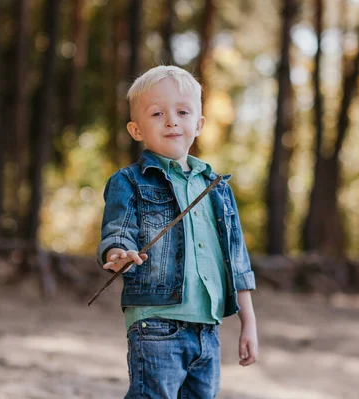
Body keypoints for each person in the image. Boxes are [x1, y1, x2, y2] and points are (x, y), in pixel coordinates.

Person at [96, 65, 258, 399]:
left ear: (198, 124)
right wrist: (118, 254)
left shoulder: (217, 188)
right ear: (136, 129)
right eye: (157, 113)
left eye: (182, 112)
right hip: (155, 323)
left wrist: (249, 323)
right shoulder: (128, 181)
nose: (172, 121)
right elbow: (118, 230)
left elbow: (237, 261)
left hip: (208, 329)